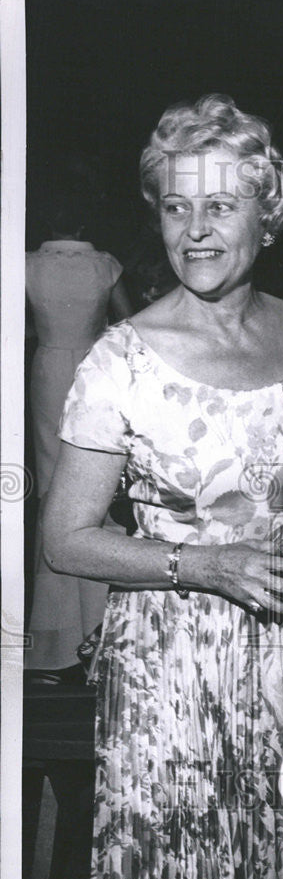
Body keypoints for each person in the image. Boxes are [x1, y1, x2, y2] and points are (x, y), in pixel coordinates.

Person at [42, 95, 283, 879]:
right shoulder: (120, 358)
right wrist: (206, 564)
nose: (195, 231)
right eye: (176, 205)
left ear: (266, 218)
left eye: (220, 206)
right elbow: (68, 538)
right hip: (168, 675)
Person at [25, 194, 132, 683]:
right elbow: (128, 326)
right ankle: (98, 626)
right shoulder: (104, 266)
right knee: (100, 487)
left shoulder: (28, 265)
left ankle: (58, 640)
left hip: (47, 370)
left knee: (54, 489)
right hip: (96, 371)